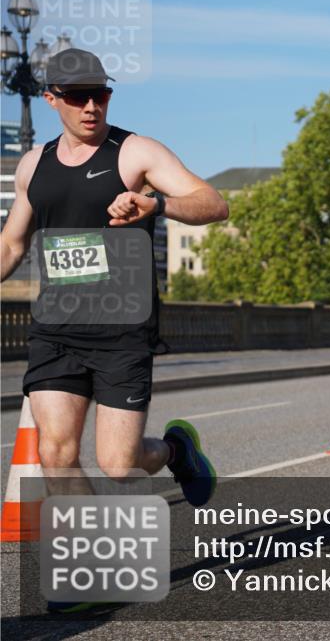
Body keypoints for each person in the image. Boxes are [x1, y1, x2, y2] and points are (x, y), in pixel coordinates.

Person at [0, 52, 228, 526]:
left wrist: (157, 204)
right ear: (51, 99)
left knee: (119, 464)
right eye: (77, 97)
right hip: (55, 329)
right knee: (55, 452)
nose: (91, 107)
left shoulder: (135, 152)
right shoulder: (33, 165)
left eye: (100, 95)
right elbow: (11, 244)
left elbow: (213, 203)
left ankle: (175, 450)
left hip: (122, 329)